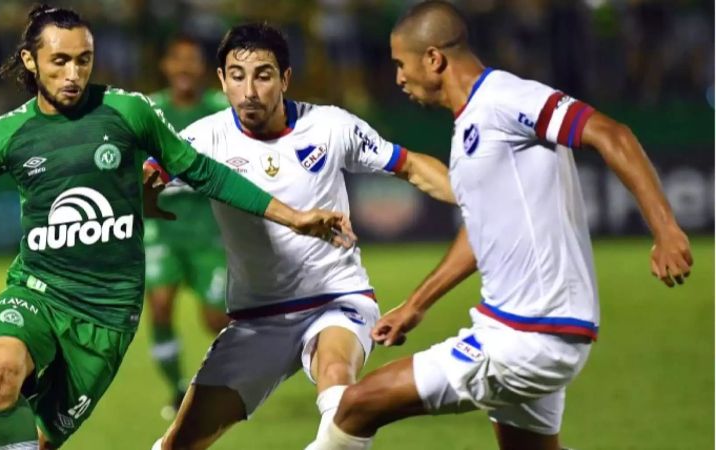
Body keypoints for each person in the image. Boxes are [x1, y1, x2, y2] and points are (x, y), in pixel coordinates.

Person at [0, 5, 352, 450]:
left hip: (108, 313)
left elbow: (205, 172)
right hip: (38, 291)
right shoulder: (7, 134)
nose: (73, 74)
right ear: (31, 61)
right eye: (59, 61)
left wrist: (293, 216)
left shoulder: (127, 112)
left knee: (41, 441)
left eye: (83, 60)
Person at [306, 2, 694, 450]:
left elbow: (613, 134)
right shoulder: (469, 124)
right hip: (519, 328)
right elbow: (481, 232)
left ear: (433, 58)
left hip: (529, 337)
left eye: (400, 64)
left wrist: (665, 230)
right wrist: (417, 305)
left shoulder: (505, 98)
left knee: (357, 405)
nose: (397, 78)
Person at [151, 23, 456, 450]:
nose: (250, 90)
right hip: (258, 319)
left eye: (263, 74)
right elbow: (144, 177)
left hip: (337, 299)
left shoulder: (330, 126)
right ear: (221, 80)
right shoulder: (205, 138)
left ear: (285, 78)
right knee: (177, 445)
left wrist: (472, 196)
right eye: (237, 76)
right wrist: (139, 189)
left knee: (337, 384)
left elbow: (409, 166)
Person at [143, 34, 233, 420]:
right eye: (176, 60)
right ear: (165, 66)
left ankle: (234, 381)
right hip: (161, 230)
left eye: (192, 61)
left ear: (205, 69)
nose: (184, 68)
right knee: (160, 305)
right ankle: (178, 390)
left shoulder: (220, 110)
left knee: (216, 318)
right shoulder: (149, 111)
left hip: (209, 230)